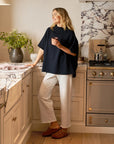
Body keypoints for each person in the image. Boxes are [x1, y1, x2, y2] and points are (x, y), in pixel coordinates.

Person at [28, 7, 79, 139]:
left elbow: (73, 52)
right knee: (42, 95)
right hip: (51, 68)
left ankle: (65, 128)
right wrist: (34, 63)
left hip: (65, 69)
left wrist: (59, 46)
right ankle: (54, 124)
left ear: (62, 16)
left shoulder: (70, 33)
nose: (53, 17)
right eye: (52, 15)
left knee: (64, 99)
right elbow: (42, 48)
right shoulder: (49, 31)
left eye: (55, 15)